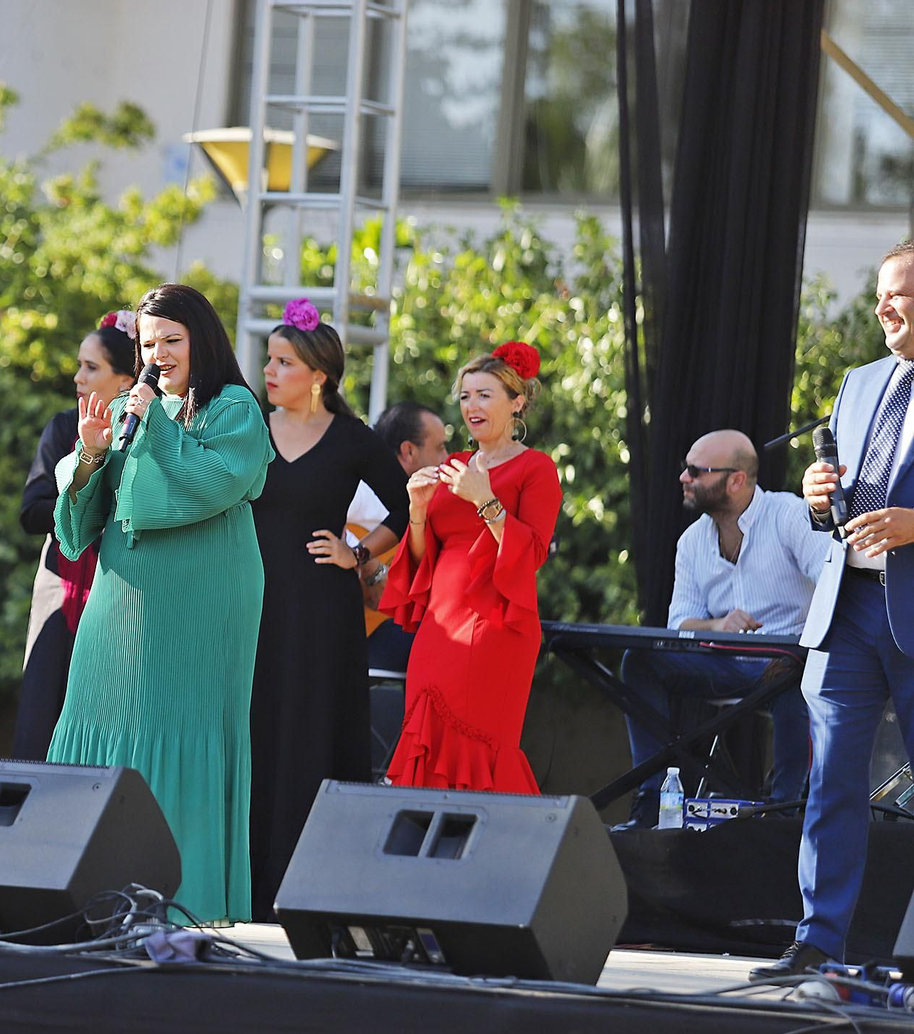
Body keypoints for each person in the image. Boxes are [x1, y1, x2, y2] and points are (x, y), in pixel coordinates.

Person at [48, 283, 273, 924]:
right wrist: (92, 452)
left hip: (201, 600)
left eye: (173, 340)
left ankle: (179, 903)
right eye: (150, 342)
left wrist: (152, 426)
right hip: (120, 596)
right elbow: (81, 515)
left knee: (180, 730)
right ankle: (88, 893)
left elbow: (206, 484)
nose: (160, 353)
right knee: (98, 718)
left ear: (202, 340)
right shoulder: (130, 405)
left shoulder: (234, 407)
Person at [751, 242, 914, 981]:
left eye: (898, 293)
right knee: (834, 781)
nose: (882, 306)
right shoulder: (858, 382)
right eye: (880, 293)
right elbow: (839, 501)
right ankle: (818, 942)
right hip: (847, 607)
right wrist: (820, 496)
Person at [247, 298, 410, 920]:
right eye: (270, 360)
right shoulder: (250, 429)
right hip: (254, 601)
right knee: (256, 727)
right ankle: (250, 878)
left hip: (320, 607)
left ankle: (312, 886)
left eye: (284, 362)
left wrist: (360, 555)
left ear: (318, 375)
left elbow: (405, 505)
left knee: (313, 729)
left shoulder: (352, 439)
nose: (270, 371)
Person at [611, 430, 826, 830]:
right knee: (639, 660)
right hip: (724, 665)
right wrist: (717, 625)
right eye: (685, 468)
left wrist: (801, 649)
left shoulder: (789, 515)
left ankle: (785, 813)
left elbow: (833, 586)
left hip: (790, 665)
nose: (684, 478)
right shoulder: (692, 541)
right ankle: (653, 800)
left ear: (736, 481)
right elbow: (681, 625)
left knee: (794, 679)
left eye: (696, 470)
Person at [378, 342, 562, 792]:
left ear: (516, 403)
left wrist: (486, 500)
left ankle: (496, 854)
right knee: (427, 739)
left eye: (484, 395)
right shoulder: (453, 465)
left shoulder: (536, 469)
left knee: (481, 743)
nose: (471, 406)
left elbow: (532, 553)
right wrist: (417, 511)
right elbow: (421, 559)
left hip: (497, 623)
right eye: (465, 396)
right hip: (440, 625)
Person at [11, 312, 138, 759]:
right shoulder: (64, 427)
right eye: (79, 365)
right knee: (42, 709)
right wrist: (83, 509)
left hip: (120, 589)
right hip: (59, 585)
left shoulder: (147, 435)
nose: (78, 377)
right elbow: (30, 512)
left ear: (126, 381)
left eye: (91, 367)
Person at [363, 401, 452, 673]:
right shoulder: (360, 496)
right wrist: (369, 567)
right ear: (409, 451)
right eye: (439, 448)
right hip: (364, 639)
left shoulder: (434, 505)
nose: (447, 458)